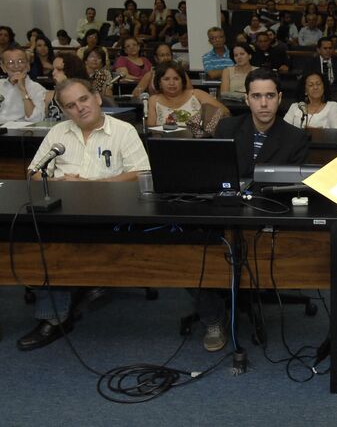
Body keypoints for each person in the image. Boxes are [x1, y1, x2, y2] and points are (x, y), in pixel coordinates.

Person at [17, 78, 150, 351]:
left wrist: (94, 185)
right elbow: (34, 173)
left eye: (84, 99)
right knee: (42, 242)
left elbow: (142, 174)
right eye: (70, 105)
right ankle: (53, 318)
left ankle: (86, 284)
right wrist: (59, 183)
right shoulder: (58, 133)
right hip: (63, 211)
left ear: (97, 98)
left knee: (74, 246)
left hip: (112, 213)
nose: (80, 108)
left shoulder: (123, 131)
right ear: (64, 111)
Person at [199, 69, 309, 351]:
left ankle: (247, 293)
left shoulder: (296, 137)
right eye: (257, 96)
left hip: (269, 218)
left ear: (279, 98)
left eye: (270, 96)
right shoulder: (227, 129)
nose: (263, 103)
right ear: (247, 99)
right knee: (191, 249)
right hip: (226, 213)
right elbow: (214, 173)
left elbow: (292, 188)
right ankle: (214, 316)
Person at [146, 61, 227, 127]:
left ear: (183, 81)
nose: (172, 83)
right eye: (166, 79)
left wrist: (204, 123)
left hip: (198, 140)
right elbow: (151, 129)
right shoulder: (154, 100)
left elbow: (225, 112)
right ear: (159, 82)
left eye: (176, 79)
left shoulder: (197, 94)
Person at [0, 46, 47, 123]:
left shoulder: (37, 89)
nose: (16, 66)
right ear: (3, 67)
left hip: (19, 130)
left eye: (21, 62)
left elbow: (36, 119)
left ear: (28, 66)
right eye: (11, 62)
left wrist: (23, 90)